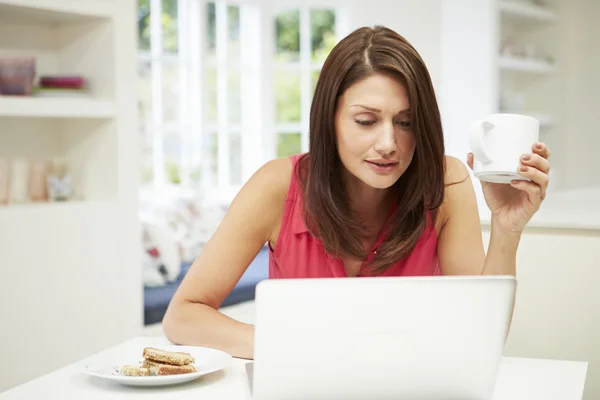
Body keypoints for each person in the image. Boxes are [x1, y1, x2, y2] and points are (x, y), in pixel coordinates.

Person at [163, 25, 551, 360]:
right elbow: (183, 315)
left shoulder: (446, 183)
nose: (389, 143)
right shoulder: (276, 186)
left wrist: (506, 228)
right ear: (328, 118)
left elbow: (480, 337)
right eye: (366, 121)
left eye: (406, 122)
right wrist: (295, 346)